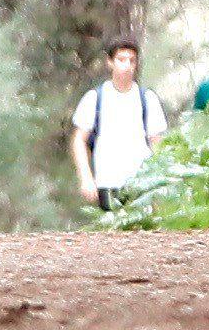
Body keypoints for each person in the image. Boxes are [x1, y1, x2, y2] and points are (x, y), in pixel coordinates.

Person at [70, 38, 167, 211]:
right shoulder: (95, 98)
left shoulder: (148, 99)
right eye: (121, 60)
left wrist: (159, 181)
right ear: (110, 62)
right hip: (107, 182)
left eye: (132, 61)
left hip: (142, 184)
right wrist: (86, 177)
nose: (127, 66)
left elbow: (157, 143)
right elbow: (79, 140)